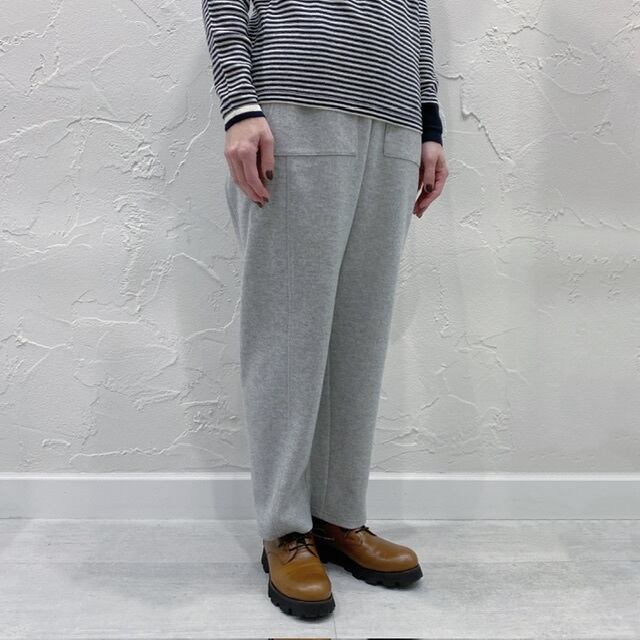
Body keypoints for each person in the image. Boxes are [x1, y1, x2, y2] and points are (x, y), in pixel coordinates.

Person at [201, 0, 448, 618]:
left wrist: (430, 125)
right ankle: (284, 529)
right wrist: (240, 105)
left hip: (393, 121)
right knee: (288, 330)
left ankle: (339, 516)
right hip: (297, 103)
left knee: (360, 336)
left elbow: (416, 15)